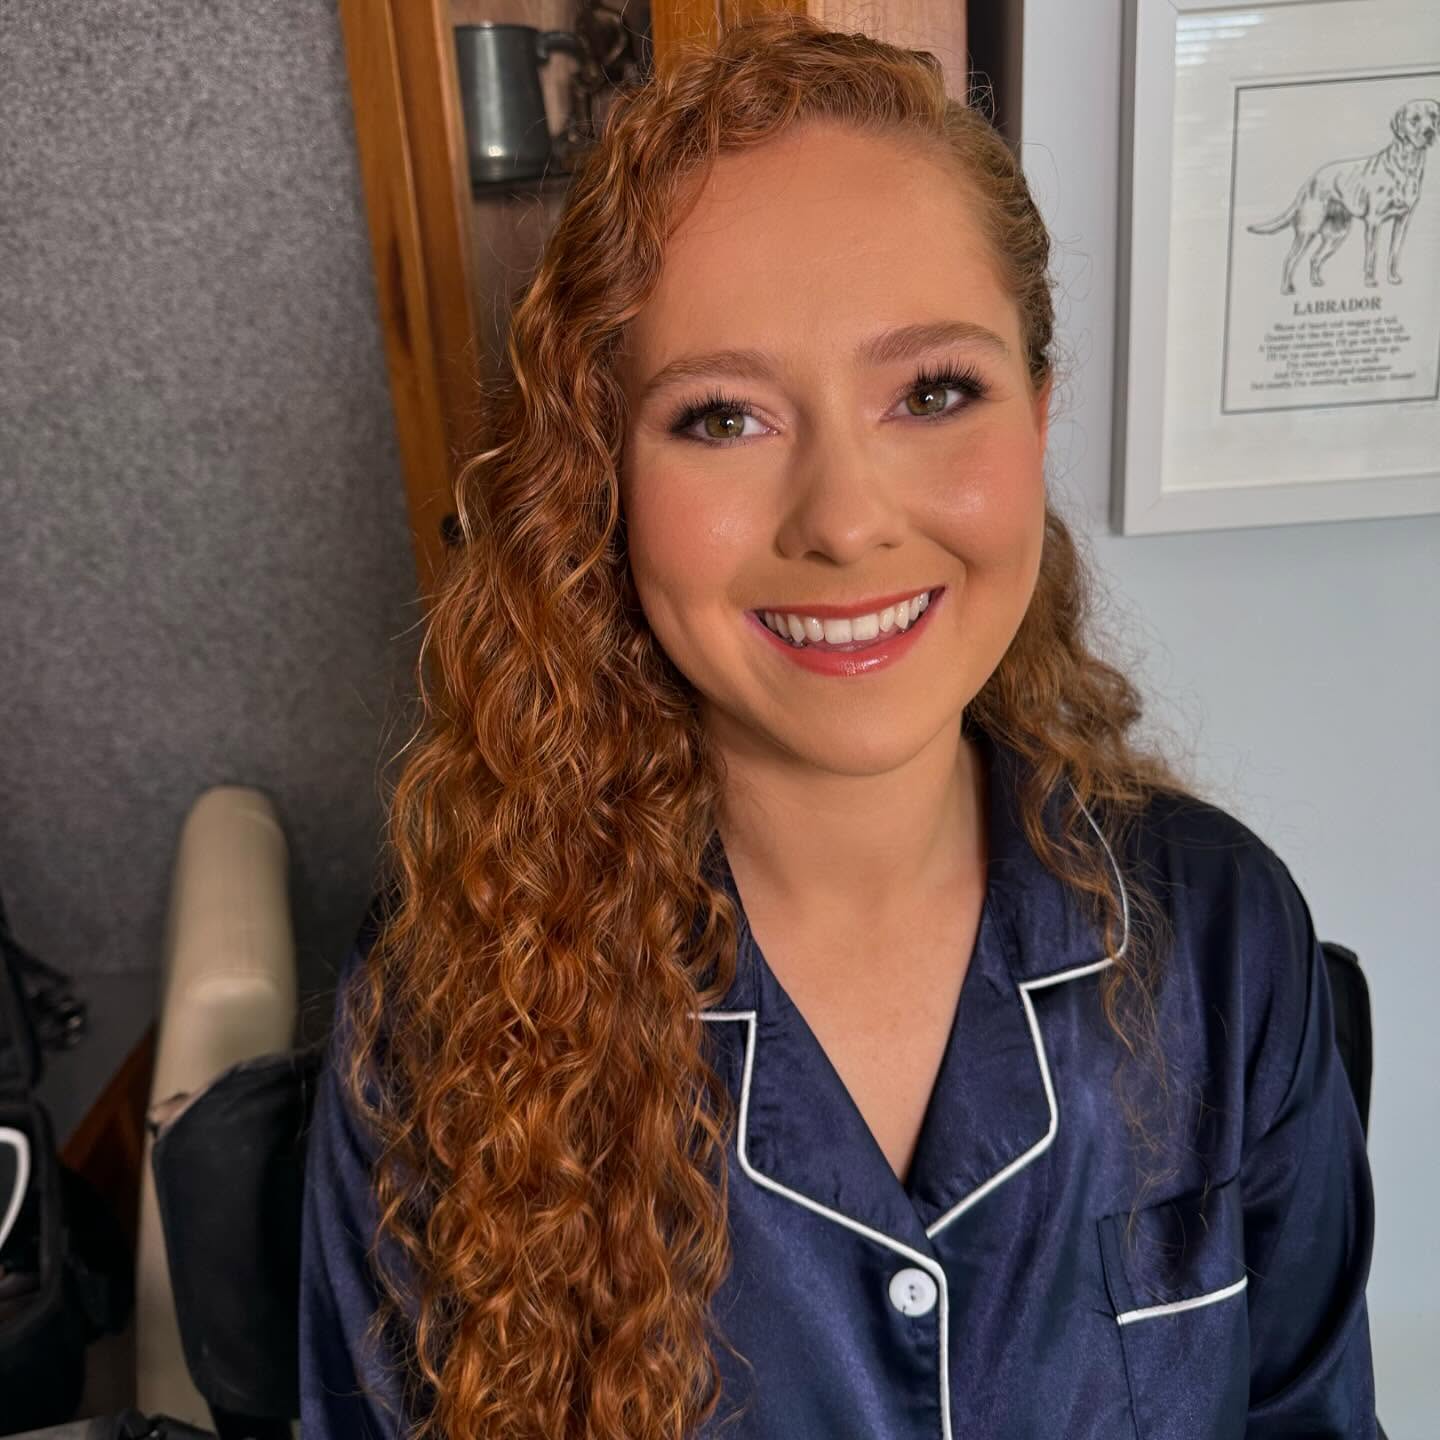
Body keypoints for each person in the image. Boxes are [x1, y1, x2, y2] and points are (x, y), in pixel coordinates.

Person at [299, 15, 1377, 1439]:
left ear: (1037, 416)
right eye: (723, 418)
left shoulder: (1223, 938)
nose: (847, 520)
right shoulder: (445, 1011)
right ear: (601, 477)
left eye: (935, 392)